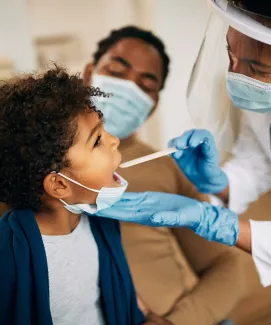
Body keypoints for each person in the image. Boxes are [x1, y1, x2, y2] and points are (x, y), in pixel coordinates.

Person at [95, 0, 271, 315]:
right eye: (232, 57)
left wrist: (217, 223)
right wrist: (219, 183)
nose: (239, 76)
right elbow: (256, 165)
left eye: (257, 69)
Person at [83, 26, 243, 325]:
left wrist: (178, 322)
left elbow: (225, 264)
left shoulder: (165, 167)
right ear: (89, 73)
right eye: (117, 72)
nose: (128, 88)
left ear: (153, 103)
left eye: (146, 85)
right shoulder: (29, 160)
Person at [0, 66, 173, 325]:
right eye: (97, 141)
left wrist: (147, 316)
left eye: (104, 131)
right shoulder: (9, 259)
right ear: (59, 185)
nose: (114, 140)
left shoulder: (100, 223)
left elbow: (115, 294)